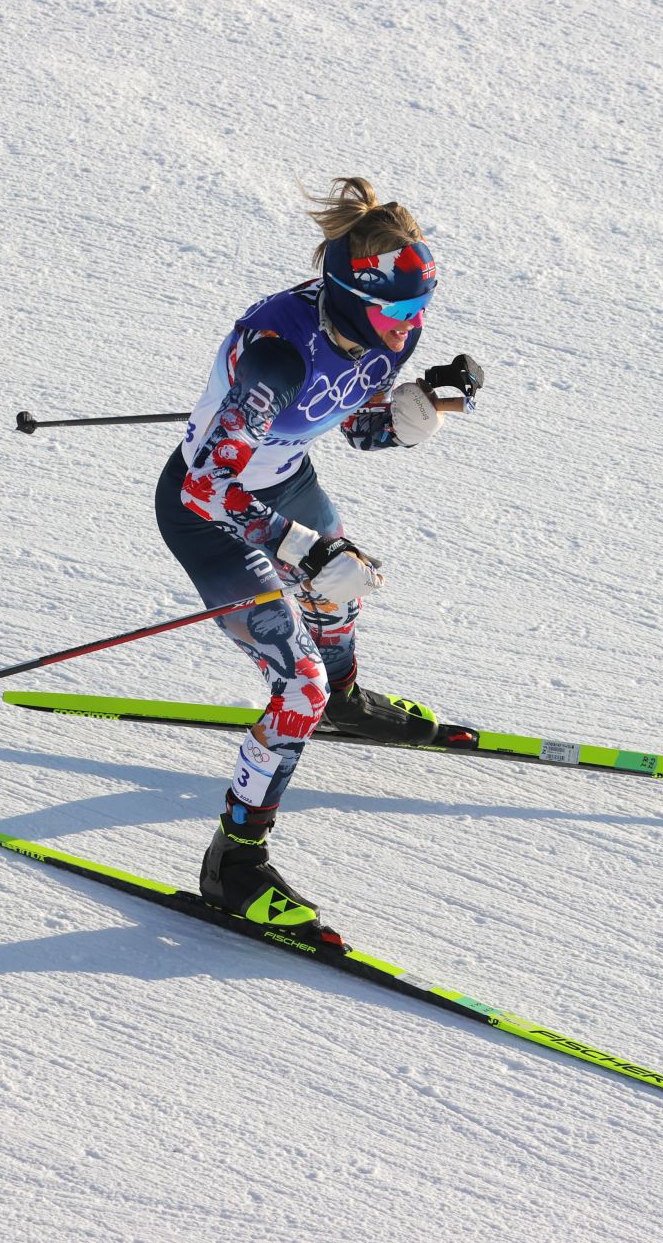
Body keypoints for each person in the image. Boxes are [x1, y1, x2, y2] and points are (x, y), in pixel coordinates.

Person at [153, 176, 476, 939]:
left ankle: (346, 697)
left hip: (285, 480)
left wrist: (419, 412)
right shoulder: (276, 355)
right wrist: (305, 548)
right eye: (396, 313)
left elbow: (358, 426)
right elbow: (206, 487)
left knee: (344, 590)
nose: (409, 328)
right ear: (350, 294)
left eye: (418, 309)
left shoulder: (383, 329)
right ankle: (232, 864)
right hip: (208, 514)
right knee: (295, 682)